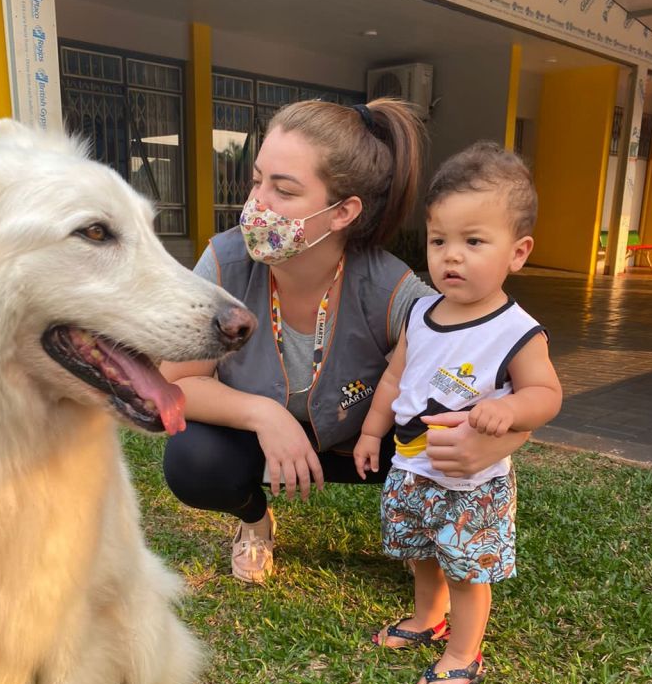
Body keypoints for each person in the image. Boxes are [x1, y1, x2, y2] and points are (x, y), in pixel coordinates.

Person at [161, 101, 529, 584]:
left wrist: (500, 440)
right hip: (259, 442)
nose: (257, 204)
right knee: (193, 459)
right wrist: (264, 415)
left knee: (439, 436)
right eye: (257, 181)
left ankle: (431, 522)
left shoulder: (388, 287)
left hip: (361, 442)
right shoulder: (226, 262)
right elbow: (176, 381)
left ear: (343, 212)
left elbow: (498, 365)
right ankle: (256, 522)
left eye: (283, 189)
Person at [353, 141, 562, 684]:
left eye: (474, 242)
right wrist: (373, 432)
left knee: (469, 570)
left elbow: (546, 394)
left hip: (472, 484)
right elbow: (396, 378)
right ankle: (428, 619)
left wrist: (508, 408)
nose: (451, 256)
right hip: (413, 469)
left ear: (517, 253)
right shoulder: (422, 312)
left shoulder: (516, 329)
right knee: (421, 553)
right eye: (439, 240)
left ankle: (464, 655)